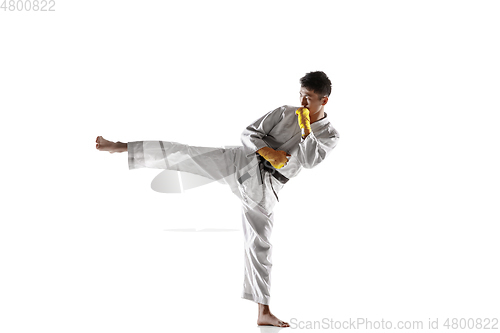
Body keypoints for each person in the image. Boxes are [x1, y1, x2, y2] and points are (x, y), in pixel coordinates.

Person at [96, 71, 340, 327]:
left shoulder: (330, 134)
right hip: (240, 161)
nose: (302, 102)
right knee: (187, 154)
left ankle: (263, 311)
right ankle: (124, 146)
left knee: (260, 244)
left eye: (309, 98)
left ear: (323, 101)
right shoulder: (283, 112)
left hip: (266, 186)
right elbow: (248, 133)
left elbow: (311, 160)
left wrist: (304, 129)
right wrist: (267, 151)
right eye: (301, 95)